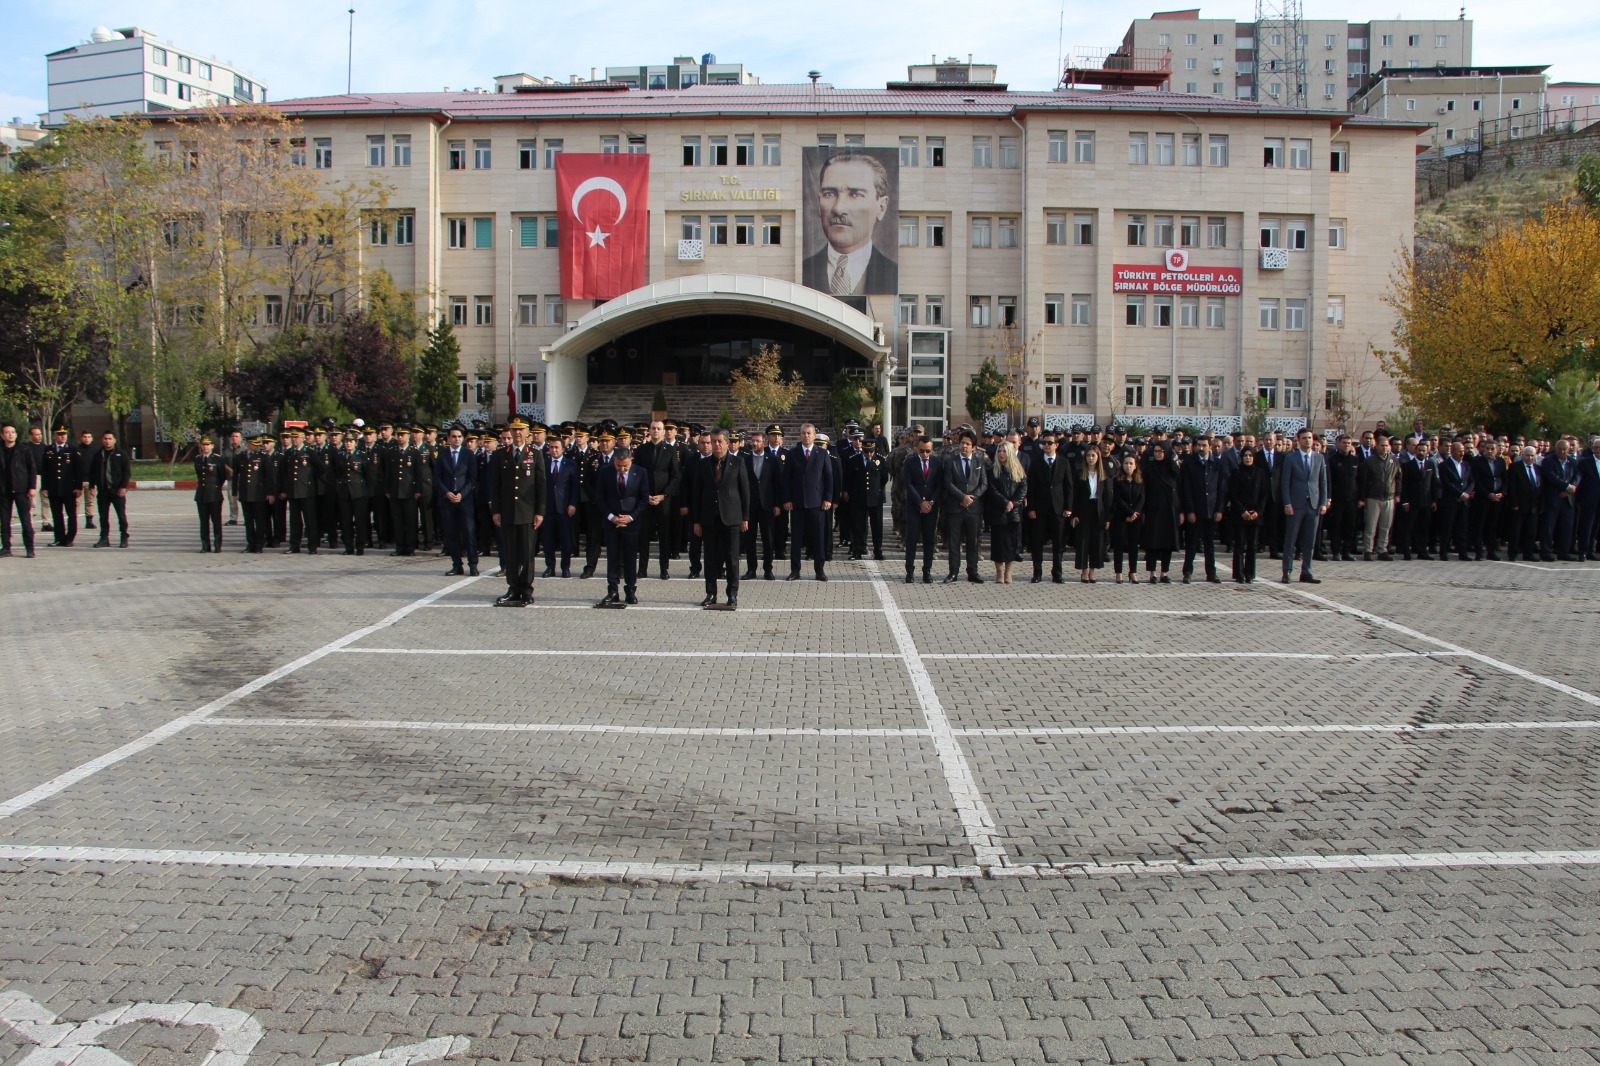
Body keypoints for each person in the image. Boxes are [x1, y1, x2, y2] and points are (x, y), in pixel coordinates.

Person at [801, 150, 897, 296]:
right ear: (819, 203)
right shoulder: (803, 270)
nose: (839, 208)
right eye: (830, 194)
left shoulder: (893, 274)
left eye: (856, 194)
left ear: (881, 207)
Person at [692, 429, 751, 608]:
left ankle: (732, 594)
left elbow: (745, 492)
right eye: (713, 441)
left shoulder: (738, 462)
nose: (716, 445)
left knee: (732, 558)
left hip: (731, 518)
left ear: (727, 443)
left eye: (719, 441)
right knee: (710, 558)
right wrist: (696, 521)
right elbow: (697, 494)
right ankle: (711, 593)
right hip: (709, 518)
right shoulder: (703, 465)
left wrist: (745, 517)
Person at [491, 418, 546, 606]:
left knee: (527, 552)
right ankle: (513, 587)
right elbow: (496, 485)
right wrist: (496, 510)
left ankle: (526, 589)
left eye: (521, 430)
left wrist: (540, 512)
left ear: (527, 432)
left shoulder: (535, 454)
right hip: (507, 511)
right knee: (511, 552)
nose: (517, 433)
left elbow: (541, 485)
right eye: (514, 430)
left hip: (527, 511)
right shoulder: (500, 454)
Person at [594, 446, 648, 607]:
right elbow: (600, 497)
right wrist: (612, 517)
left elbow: (643, 498)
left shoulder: (640, 472)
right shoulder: (605, 472)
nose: (622, 469)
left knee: (631, 558)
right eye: (619, 466)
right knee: (613, 557)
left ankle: (630, 590)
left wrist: (630, 517)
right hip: (612, 522)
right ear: (614, 462)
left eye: (625, 466)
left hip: (631, 522)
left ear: (631, 460)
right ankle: (612, 590)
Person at [1276, 427, 1329, 583]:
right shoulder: (1291, 458)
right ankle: (1287, 571)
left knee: (1309, 540)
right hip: (1296, 504)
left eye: (1310, 438)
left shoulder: (1319, 458)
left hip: (1313, 504)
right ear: (1298, 440)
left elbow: (1323, 482)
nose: (1308, 440)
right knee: (1291, 539)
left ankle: (1306, 571)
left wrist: (1323, 502)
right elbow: (1285, 482)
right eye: (1304, 438)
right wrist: (1287, 502)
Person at [783, 423, 834, 581]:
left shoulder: (822, 453)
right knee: (796, 539)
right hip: (797, 504)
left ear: (814, 436)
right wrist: (787, 499)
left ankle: (819, 570)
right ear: (800, 435)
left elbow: (828, 477)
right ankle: (795, 571)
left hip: (817, 503)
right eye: (803, 433)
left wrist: (828, 498)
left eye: (809, 433)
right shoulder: (793, 453)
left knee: (818, 539)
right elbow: (786, 479)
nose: (806, 436)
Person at [634, 420, 681, 580]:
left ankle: (664, 568)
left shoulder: (670, 449)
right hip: (645, 498)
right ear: (649, 431)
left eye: (659, 429)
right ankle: (642, 568)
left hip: (663, 499)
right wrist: (644, 494)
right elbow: (636, 474)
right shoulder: (641, 449)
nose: (656, 431)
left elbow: (675, 475)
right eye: (653, 428)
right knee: (644, 535)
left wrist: (664, 495)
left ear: (663, 432)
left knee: (664, 535)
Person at [940, 429, 987, 584]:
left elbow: (984, 483)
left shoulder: (979, 461)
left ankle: (972, 571)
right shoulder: (950, 461)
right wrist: (962, 497)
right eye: (962, 443)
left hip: (973, 508)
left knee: (973, 542)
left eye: (967, 444)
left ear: (973, 447)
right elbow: (947, 483)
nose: (964, 446)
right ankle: (953, 572)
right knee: (954, 542)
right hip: (956, 507)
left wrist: (971, 498)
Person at [1026, 432, 1072, 584]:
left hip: (1058, 509)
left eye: (1049, 443)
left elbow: (1069, 486)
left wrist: (1068, 507)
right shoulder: (1036, 462)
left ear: (1056, 445)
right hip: (1040, 509)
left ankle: (1057, 573)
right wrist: (1031, 508)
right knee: (1037, 542)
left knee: (1058, 544)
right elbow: (1031, 487)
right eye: (1044, 443)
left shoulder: (1064, 462)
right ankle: (1037, 573)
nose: (1046, 445)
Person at [1178, 436, 1226, 583]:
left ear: (1210, 446)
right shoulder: (1189, 463)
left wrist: (1219, 509)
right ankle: (1187, 572)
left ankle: (1211, 573)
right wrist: (1190, 510)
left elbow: (1221, 489)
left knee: (1209, 544)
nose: (1201, 448)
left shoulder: (1217, 463)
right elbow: (1186, 488)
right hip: (1195, 510)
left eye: (1204, 445)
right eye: (1198, 445)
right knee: (1191, 543)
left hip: (1211, 510)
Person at [435, 425, 479, 577]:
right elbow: (437, 477)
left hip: (464, 500)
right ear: (448, 438)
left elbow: (472, 478)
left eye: (459, 436)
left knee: (469, 533)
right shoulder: (442, 454)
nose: (457, 439)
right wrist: (447, 492)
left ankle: (473, 564)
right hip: (447, 501)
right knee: (451, 534)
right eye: (454, 436)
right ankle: (456, 565)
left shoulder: (468, 454)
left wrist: (462, 494)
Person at [743, 428, 782, 580]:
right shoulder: (744, 460)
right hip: (750, 506)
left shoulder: (772, 459)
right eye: (752, 441)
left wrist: (777, 504)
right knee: (749, 540)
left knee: (768, 539)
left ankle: (768, 569)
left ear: (764, 442)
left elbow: (778, 484)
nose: (754, 443)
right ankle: (751, 569)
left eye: (757, 441)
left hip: (767, 506)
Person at [985, 440, 1026, 583]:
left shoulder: (1018, 470)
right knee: (998, 544)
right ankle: (999, 573)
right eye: (999, 451)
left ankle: (1009, 572)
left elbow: (1023, 489)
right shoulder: (992, 470)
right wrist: (1005, 502)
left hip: (1013, 513)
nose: (1001, 454)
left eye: (1004, 451)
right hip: (998, 512)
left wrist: (1013, 503)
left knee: (1011, 544)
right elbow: (992, 490)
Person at [902, 436, 941, 584]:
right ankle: (910, 572)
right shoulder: (910, 462)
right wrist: (920, 502)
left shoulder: (937, 463)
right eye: (922, 451)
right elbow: (908, 484)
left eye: (928, 451)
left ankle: (927, 572)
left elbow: (939, 485)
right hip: (914, 506)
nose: (925, 454)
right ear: (916, 449)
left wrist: (930, 502)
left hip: (931, 507)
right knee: (911, 540)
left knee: (929, 541)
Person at [1140, 442, 1182, 583]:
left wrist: (1181, 511)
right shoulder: (1149, 469)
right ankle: (1152, 573)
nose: (1157, 454)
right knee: (1153, 543)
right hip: (1153, 510)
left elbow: (1180, 490)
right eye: (1155, 451)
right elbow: (1144, 490)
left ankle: (1164, 573)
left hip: (1170, 511)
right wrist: (1144, 510)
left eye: (1160, 451)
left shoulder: (1173, 468)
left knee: (1167, 544)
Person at [1226, 447, 1269, 583]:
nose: (1248, 458)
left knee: (1252, 546)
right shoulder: (1236, 472)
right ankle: (1238, 574)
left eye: (1250, 455)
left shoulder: (1260, 472)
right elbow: (1232, 494)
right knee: (1239, 545)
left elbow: (1264, 494)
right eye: (1245, 455)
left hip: (1255, 515)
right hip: (1240, 514)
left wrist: (1257, 511)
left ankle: (1250, 574)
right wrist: (1242, 511)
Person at [1358, 434, 1401, 562]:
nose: (1384, 448)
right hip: (1373, 497)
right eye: (1382, 445)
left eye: (1386, 446)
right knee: (1371, 526)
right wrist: (1362, 498)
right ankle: (1368, 550)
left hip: (1389, 497)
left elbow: (1398, 478)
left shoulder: (1394, 461)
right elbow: (1363, 481)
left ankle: (1382, 550)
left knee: (1386, 526)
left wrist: (1398, 494)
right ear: (1376, 446)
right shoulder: (1369, 461)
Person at [844, 437, 887, 561]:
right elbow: (849, 478)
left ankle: (878, 551)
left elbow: (883, 478)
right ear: (862, 449)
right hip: (859, 498)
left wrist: (875, 490)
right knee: (858, 526)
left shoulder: (880, 460)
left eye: (871, 452)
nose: (869, 454)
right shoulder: (854, 460)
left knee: (877, 526)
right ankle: (858, 550)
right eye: (866, 451)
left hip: (875, 498)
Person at [0, 423, 38, 558]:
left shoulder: (24, 449)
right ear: (2, 435)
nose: (10, 434)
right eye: (7, 432)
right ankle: (6, 547)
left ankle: (30, 548)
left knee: (25, 520)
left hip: (21, 490)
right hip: (4, 491)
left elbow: (32, 469)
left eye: (13, 432)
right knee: (4, 521)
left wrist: (32, 487)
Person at [541, 436, 577, 577]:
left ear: (563, 449)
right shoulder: (544, 463)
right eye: (551, 447)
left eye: (557, 447)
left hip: (564, 507)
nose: (554, 450)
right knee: (548, 539)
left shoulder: (570, 464)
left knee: (566, 540)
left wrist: (573, 503)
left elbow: (575, 487)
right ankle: (550, 567)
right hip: (547, 507)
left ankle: (565, 567)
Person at [332, 428, 371, 555]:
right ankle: (349, 547)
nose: (348, 443)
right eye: (346, 441)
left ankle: (360, 547)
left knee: (360, 521)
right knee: (346, 522)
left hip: (359, 492)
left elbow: (368, 474)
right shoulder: (340, 456)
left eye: (351, 441)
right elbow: (337, 473)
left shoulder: (362, 455)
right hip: (344, 492)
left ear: (356, 443)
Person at [1072, 445, 1109, 582]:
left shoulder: (1103, 475)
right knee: (1083, 541)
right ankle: (1084, 571)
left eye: (1093, 456)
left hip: (1098, 510)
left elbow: (1107, 497)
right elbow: (1075, 496)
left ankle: (1092, 571)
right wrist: (1074, 514)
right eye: (1088, 456)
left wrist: (1108, 517)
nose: (1091, 458)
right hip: (1084, 510)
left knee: (1096, 542)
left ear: (1098, 457)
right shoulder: (1080, 474)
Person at [89, 430, 131, 548]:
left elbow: (126, 472)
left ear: (114, 440)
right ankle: (104, 538)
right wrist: (92, 486)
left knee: (121, 515)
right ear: (102, 440)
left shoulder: (121, 454)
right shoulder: (98, 454)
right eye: (105, 439)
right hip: (102, 490)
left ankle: (124, 536)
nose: (107, 441)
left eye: (109, 439)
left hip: (116, 490)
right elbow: (92, 471)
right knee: (103, 515)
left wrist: (123, 487)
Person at [1539, 437, 1578, 561]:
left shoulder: (1573, 462)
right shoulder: (1548, 461)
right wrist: (1566, 486)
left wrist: (1571, 488)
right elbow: (1550, 476)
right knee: (1549, 527)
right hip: (1553, 498)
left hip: (1568, 499)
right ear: (1555, 449)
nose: (1562, 452)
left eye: (1564, 449)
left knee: (1567, 527)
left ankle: (1563, 552)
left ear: (1569, 449)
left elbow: (1577, 476)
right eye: (1560, 449)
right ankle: (1546, 552)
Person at [40, 426, 79, 548]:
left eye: (64, 434)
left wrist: (78, 487)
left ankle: (70, 538)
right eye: (59, 434)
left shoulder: (72, 449)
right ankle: (59, 538)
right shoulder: (48, 450)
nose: (62, 436)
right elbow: (44, 470)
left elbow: (78, 470)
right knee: (57, 515)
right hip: (54, 488)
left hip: (69, 488)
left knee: (71, 514)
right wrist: (44, 487)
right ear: (54, 435)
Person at [1109, 452, 1144, 583]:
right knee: (1119, 545)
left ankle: (1133, 572)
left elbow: (1142, 497)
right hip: (1121, 517)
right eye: (1126, 463)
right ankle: (1119, 572)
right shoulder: (1117, 480)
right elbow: (1117, 499)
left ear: (1135, 466)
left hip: (1136, 518)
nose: (1128, 466)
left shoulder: (1140, 480)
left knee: (1133, 546)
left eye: (1131, 463)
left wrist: (1135, 513)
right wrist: (1129, 513)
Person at [1506, 445, 1543, 561]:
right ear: (1522, 455)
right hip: (1519, 505)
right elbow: (1511, 487)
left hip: (1533, 506)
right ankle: (1512, 553)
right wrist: (1514, 503)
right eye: (1527, 455)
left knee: (1531, 532)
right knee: (1516, 531)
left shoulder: (1538, 469)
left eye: (1532, 455)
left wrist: (1541, 505)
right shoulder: (1515, 467)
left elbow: (1541, 487)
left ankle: (1528, 554)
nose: (1530, 458)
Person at [193, 436, 229, 553]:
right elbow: (199, 475)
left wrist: (216, 487)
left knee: (216, 521)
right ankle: (205, 545)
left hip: (214, 494)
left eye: (208, 445)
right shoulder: (198, 459)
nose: (205, 447)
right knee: (203, 522)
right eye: (203, 445)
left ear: (212, 446)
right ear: (200, 446)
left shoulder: (218, 459)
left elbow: (222, 476)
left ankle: (217, 545)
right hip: (201, 494)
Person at [1574, 435, 1600, 561]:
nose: (1598, 450)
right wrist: (1579, 500)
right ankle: (1582, 551)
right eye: (1596, 447)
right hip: (1589, 500)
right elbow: (1580, 481)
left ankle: (1591, 550)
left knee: (1596, 527)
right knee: (1586, 526)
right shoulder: (1585, 462)